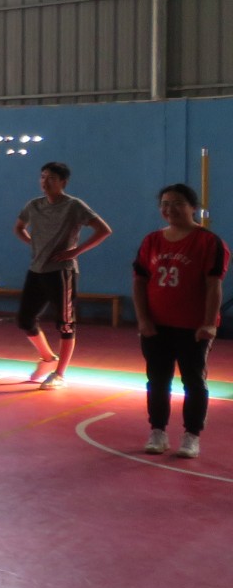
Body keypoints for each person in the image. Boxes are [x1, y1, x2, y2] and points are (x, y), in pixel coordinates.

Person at [132, 184, 226, 457]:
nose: (169, 209)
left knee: (193, 381)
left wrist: (209, 323)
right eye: (165, 203)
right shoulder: (151, 241)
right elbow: (139, 281)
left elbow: (213, 285)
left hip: (193, 327)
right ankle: (157, 431)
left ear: (192, 207)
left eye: (177, 203)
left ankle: (191, 435)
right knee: (157, 380)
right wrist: (143, 319)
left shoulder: (209, 242)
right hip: (156, 325)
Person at [14, 162, 112, 388]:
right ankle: (48, 358)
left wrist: (75, 251)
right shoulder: (34, 205)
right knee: (25, 319)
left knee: (66, 324)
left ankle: (59, 374)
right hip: (36, 269)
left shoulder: (74, 206)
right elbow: (18, 228)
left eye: (51, 178)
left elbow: (103, 230)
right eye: (42, 177)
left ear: (63, 182)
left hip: (61, 272)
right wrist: (34, 244)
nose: (45, 182)